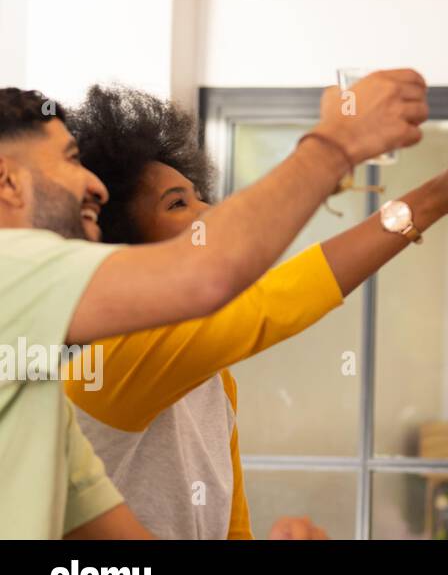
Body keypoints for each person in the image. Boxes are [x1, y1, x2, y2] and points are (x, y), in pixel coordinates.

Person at [61, 84, 448, 539]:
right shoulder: (106, 363)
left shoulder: (212, 382)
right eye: (178, 203)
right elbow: (275, 302)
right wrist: (434, 197)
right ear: (122, 241)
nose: (210, 212)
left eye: (201, 194)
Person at [0, 72, 423, 538]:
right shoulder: (70, 323)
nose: (93, 188)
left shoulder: (43, 395)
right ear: (8, 181)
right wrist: (343, 145)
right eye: (69, 160)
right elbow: (231, 284)